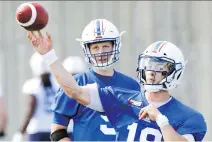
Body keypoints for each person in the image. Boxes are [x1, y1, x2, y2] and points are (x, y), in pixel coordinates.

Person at [27, 26, 207, 141]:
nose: (151, 72)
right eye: (148, 65)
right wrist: (49, 56)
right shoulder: (122, 97)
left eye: (159, 67)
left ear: (174, 71)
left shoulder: (190, 117)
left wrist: (161, 120)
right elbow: (74, 91)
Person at [50, 19, 141, 141]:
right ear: (87, 50)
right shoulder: (75, 84)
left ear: (115, 46)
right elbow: (57, 132)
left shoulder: (131, 85)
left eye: (105, 46)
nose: (101, 52)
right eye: (95, 47)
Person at [12, 53, 59, 141]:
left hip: (38, 130)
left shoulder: (32, 85)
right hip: (57, 129)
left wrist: (21, 131)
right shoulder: (59, 83)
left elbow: (30, 108)